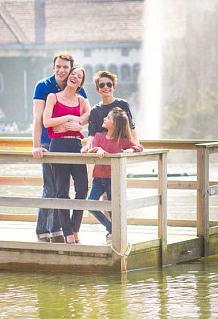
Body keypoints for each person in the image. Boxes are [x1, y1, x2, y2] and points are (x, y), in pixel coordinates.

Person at [31, 53, 87, 243]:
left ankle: (58, 230)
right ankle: (43, 230)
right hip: (49, 143)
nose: (62, 70)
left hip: (72, 143)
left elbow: (86, 115)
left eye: (66, 67)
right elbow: (38, 118)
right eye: (59, 66)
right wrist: (36, 146)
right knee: (51, 188)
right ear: (53, 67)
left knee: (67, 188)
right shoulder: (44, 87)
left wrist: (80, 124)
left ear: (71, 69)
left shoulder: (79, 90)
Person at [43, 66, 91, 245]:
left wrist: (80, 125)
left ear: (80, 83)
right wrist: (69, 117)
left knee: (82, 188)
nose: (75, 77)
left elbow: (89, 116)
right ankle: (68, 234)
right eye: (73, 74)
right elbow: (47, 121)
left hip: (76, 145)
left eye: (79, 77)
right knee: (62, 190)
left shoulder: (82, 100)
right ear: (68, 77)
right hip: (59, 145)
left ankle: (75, 228)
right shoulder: (53, 97)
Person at [82, 107, 142, 243]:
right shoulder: (99, 136)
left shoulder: (122, 139)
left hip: (112, 179)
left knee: (112, 208)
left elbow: (139, 147)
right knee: (91, 203)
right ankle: (111, 229)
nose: (104, 119)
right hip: (98, 178)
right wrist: (99, 149)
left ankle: (114, 232)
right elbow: (93, 148)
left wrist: (131, 150)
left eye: (108, 118)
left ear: (115, 124)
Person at [87, 70, 139, 139]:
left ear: (114, 87)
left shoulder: (123, 104)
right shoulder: (94, 110)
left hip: (121, 147)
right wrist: (88, 146)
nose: (106, 87)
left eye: (109, 84)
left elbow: (131, 127)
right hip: (102, 148)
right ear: (97, 89)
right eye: (102, 85)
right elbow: (92, 134)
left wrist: (136, 145)